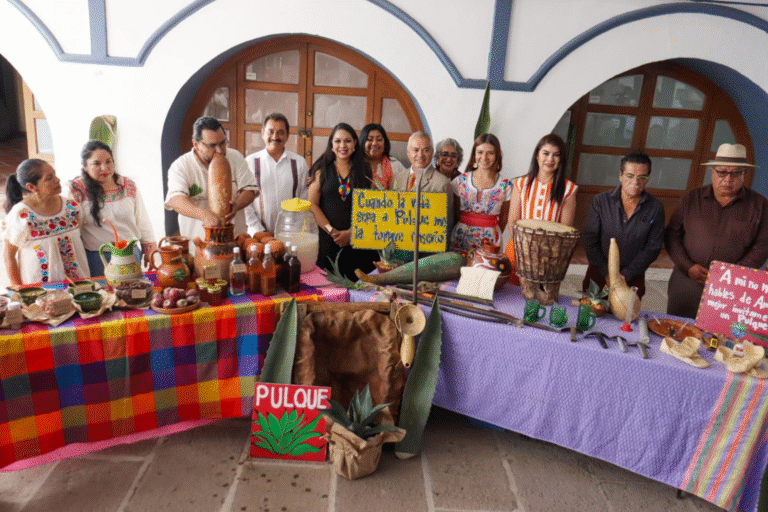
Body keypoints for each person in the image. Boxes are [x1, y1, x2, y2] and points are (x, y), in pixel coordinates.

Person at [665, 143, 768, 318]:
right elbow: (672, 235)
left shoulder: (760, 205)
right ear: (712, 172)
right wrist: (688, 266)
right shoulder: (692, 198)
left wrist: (727, 275)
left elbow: (762, 247)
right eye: (722, 172)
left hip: (731, 287)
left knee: (718, 338)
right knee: (676, 332)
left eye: (735, 173)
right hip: (687, 280)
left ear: (744, 174)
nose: (728, 179)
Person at [581, 150, 664, 299]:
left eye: (642, 177)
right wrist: (607, 273)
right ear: (620, 175)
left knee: (626, 319)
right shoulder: (601, 202)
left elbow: (653, 247)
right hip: (599, 276)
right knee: (593, 315)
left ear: (647, 179)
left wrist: (627, 274)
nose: (635, 182)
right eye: (630, 176)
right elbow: (590, 239)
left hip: (632, 279)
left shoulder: (655, 207)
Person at [165, 116, 258, 246]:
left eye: (222, 143)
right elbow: (176, 200)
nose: (219, 150)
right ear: (196, 145)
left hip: (234, 244)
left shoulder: (235, 157)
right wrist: (203, 214)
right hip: (198, 246)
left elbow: (250, 189)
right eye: (212, 146)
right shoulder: (181, 166)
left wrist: (237, 205)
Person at [69, 140, 156, 277]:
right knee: (105, 296)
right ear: (84, 166)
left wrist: (150, 250)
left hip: (130, 255)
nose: (105, 168)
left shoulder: (128, 185)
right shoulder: (77, 190)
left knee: (131, 294)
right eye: (96, 164)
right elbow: (72, 230)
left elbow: (142, 220)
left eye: (108, 162)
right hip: (97, 258)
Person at [504, 133, 578, 283]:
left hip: (549, 255)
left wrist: (542, 251)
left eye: (556, 155)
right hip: (518, 249)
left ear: (561, 159)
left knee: (539, 298)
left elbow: (565, 229)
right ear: (537, 156)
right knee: (511, 295)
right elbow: (512, 221)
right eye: (546, 153)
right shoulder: (520, 184)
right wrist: (526, 248)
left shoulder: (568, 189)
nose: (550, 159)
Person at [308, 123, 377, 280]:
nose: (342, 145)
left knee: (358, 290)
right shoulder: (322, 168)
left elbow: (372, 207)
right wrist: (332, 231)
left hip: (358, 244)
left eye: (347, 141)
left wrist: (352, 233)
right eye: (338, 141)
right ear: (331, 144)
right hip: (328, 242)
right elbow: (312, 204)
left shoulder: (366, 170)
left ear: (354, 144)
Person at [3, 159, 90, 285]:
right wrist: (21, 291)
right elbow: (9, 257)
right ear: (31, 187)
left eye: (54, 174)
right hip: (41, 292)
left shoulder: (71, 207)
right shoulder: (21, 215)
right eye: (49, 178)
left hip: (79, 288)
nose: (57, 180)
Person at [243, 113, 310, 234]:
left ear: (287, 135)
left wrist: (292, 228)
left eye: (280, 132)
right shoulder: (250, 162)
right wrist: (259, 230)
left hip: (292, 233)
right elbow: (245, 202)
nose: (275, 137)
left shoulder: (299, 163)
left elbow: (304, 199)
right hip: (258, 235)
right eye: (270, 131)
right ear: (263, 133)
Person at [450, 133, 512, 255]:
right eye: (480, 152)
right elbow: (455, 212)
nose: (484, 157)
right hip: (461, 239)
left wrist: (489, 230)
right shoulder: (460, 181)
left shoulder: (505, 185)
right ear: (474, 155)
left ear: (497, 156)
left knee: (486, 273)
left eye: (490, 153)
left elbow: (504, 219)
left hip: (489, 243)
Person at [359, 123, 406, 190]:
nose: (374, 143)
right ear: (362, 142)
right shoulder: (356, 164)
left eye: (379, 139)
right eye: (369, 139)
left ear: (385, 143)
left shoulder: (395, 165)